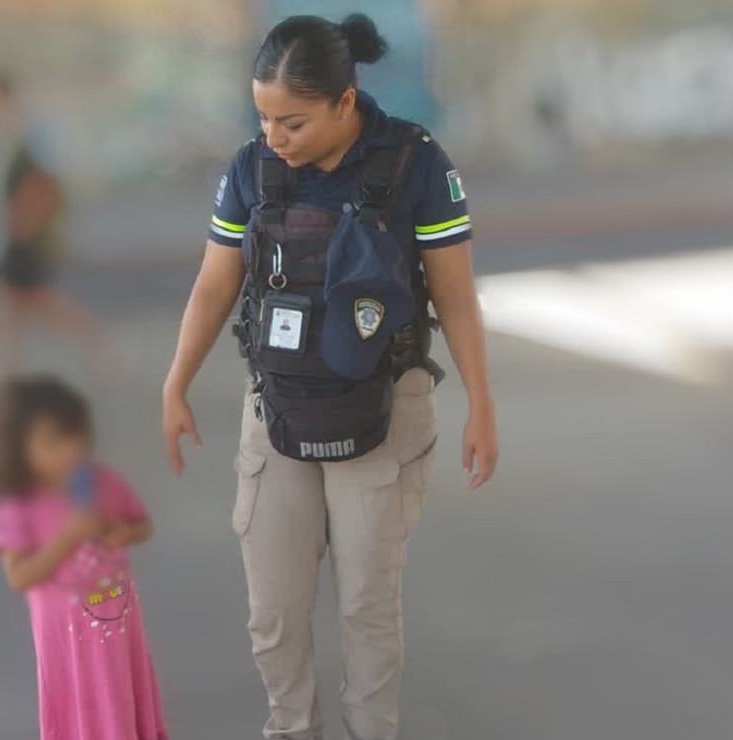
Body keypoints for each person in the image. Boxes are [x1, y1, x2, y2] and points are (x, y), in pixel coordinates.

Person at [162, 13, 498, 740]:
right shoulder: (251, 169)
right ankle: (291, 730)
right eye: (263, 118)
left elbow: (457, 298)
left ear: (344, 102)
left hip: (383, 406)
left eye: (293, 122)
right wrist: (174, 383)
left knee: (366, 607)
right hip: (277, 407)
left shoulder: (416, 164)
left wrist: (481, 407)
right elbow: (214, 287)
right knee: (274, 612)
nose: (274, 138)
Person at [0, 375, 168, 740]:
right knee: (83, 708)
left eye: (76, 436)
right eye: (53, 443)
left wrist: (121, 532)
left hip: (119, 630)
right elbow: (19, 576)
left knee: (122, 693)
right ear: (19, 451)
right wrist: (69, 536)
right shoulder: (19, 507)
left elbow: (142, 525)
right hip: (67, 648)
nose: (70, 450)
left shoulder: (104, 482)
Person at [0, 70, 113, 378]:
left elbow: (44, 186)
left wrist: (25, 229)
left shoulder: (19, 133)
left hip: (25, 242)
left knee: (13, 305)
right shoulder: (8, 135)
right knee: (17, 308)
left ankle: (14, 376)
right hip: (22, 239)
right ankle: (12, 375)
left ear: (0, 98)